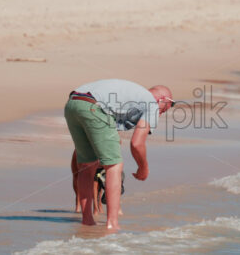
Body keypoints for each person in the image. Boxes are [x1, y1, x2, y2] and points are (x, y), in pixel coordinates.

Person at [64, 79, 174, 229]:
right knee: (114, 165)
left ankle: (87, 220)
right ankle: (112, 224)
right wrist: (143, 168)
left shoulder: (135, 96)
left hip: (73, 104)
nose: (160, 114)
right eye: (164, 110)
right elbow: (137, 143)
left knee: (86, 165)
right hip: (94, 107)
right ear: (162, 100)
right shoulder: (151, 103)